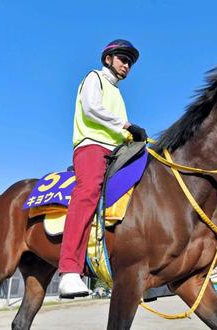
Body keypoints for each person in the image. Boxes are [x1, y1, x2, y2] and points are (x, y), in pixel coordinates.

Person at [58, 39, 148, 298]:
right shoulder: (94, 78)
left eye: (130, 62)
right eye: (123, 59)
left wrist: (133, 137)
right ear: (108, 59)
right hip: (92, 146)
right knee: (88, 192)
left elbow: (119, 130)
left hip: (116, 150)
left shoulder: (118, 93)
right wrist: (126, 125)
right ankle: (69, 271)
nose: (127, 65)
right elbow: (91, 109)